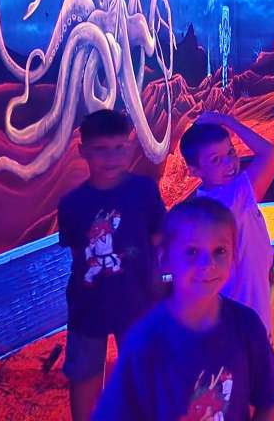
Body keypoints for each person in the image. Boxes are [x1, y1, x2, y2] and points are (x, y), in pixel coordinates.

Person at [92, 198, 274, 421]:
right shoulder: (146, 340)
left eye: (219, 250)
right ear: (164, 258)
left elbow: (268, 400)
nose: (207, 264)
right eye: (192, 251)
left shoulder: (247, 326)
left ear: (234, 255)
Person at [57, 109, 167, 421]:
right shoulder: (72, 204)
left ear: (129, 146)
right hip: (88, 305)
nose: (112, 157)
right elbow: (78, 253)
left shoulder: (144, 190)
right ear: (83, 151)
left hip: (138, 299)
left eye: (119, 147)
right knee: (84, 375)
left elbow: (158, 238)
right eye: (101, 149)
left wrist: (156, 284)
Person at [180, 111, 274, 336]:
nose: (229, 163)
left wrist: (267, 257)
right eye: (216, 160)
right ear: (195, 170)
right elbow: (268, 152)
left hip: (239, 314)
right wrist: (228, 121)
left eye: (231, 152)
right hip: (246, 317)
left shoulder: (210, 201)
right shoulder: (236, 194)